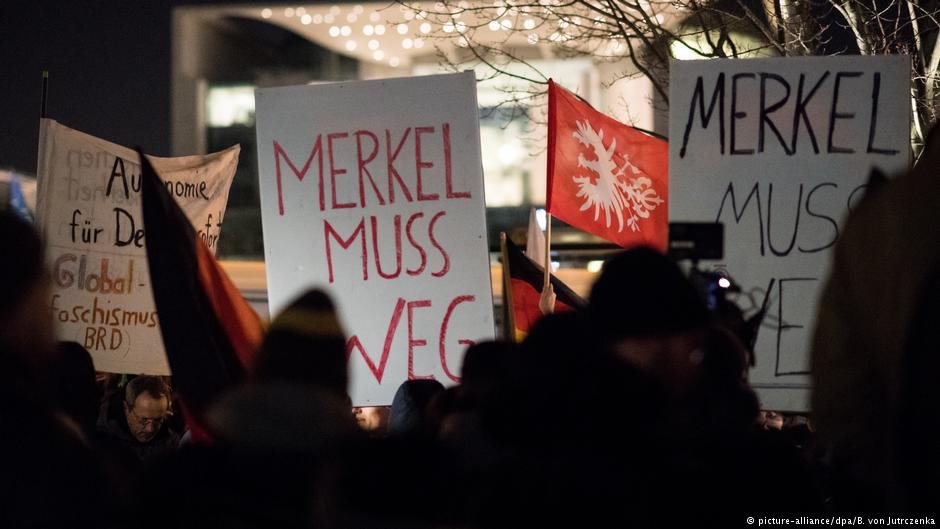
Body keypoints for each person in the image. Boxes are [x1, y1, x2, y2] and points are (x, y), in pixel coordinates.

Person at [97, 375, 179, 463]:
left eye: (158, 420)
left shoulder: (171, 442)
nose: (150, 429)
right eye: (144, 420)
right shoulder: (100, 435)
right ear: (126, 408)